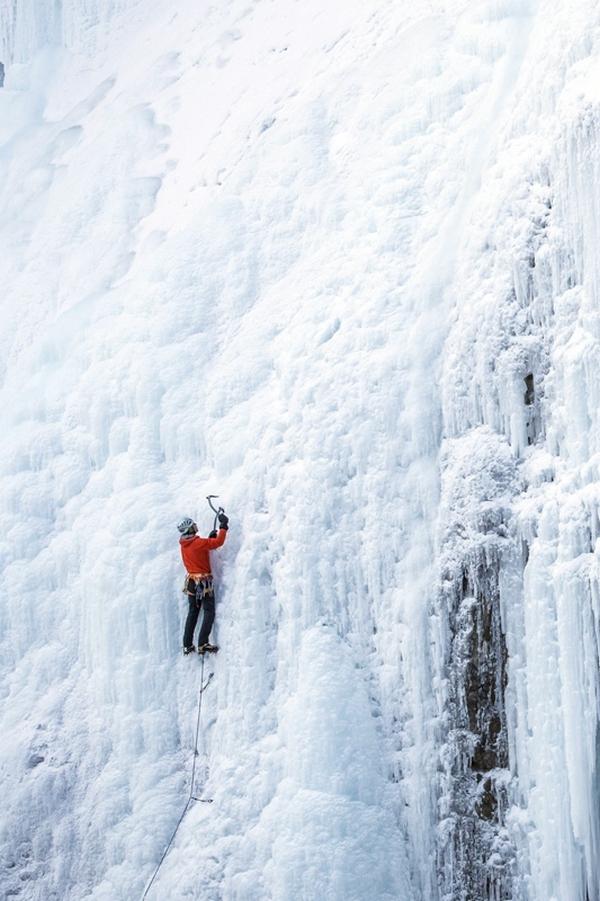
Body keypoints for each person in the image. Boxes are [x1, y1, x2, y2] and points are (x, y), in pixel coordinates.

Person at [177, 512, 229, 655]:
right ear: (190, 528)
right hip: (203, 583)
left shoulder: (184, 544)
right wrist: (223, 526)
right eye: (193, 525)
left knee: (193, 612)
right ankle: (203, 643)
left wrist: (209, 539)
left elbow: (202, 548)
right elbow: (218, 543)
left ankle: (187, 644)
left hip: (192, 583)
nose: (195, 525)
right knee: (208, 611)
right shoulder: (198, 543)